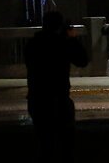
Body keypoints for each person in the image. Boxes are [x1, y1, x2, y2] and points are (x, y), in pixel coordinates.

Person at [25, 11, 90, 163]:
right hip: (58, 100)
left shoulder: (33, 43)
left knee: (45, 145)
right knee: (66, 146)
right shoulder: (62, 43)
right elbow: (82, 60)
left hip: (37, 99)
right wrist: (72, 38)